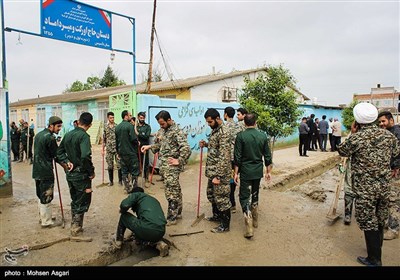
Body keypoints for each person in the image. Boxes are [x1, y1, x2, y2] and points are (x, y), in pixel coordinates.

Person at [337, 102, 400, 266]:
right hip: (384, 186)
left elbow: (342, 151)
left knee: (367, 219)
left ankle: (374, 259)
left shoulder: (357, 138)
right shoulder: (389, 136)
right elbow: (396, 153)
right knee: (380, 218)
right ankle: (376, 250)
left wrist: (352, 133)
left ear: (357, 122)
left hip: (365, 188)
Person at [141, 110, 191, 226]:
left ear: (169, 120)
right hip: (164, 166)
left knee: (171, 191)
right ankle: (178, 212)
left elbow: (186, 148)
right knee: (175, 188)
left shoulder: (177, 131)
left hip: (172, 166)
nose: (161, 126)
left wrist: (179, 160)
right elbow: (160, 145)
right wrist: (149, 146)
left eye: (162, 124)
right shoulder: (163, 130)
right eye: (160, 124)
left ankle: (171, 217)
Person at [234, 113, 272, 238]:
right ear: (255, 122)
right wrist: (268, 172)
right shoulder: (262, 136)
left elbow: (237, 157)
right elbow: (267, 156)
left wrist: (235, 173)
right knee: (255, 194)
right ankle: (255, 220)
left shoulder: (241, 136)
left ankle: (249, 226)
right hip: (257, 171)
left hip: (245, 171)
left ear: (244, 123)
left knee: (244, 197)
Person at [57, 112, 95, 237]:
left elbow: (59, 152)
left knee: (75, 198)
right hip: (81, 174)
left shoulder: (68, 135)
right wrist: (90, 171)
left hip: (70, 174)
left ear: (78, 121)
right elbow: (85, 156)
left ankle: (75, 224)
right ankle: (76, 228)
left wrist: (67, 162)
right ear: (90, 124)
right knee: (83, 199)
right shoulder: (84, 136)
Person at [199, 108, 232, 233]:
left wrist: (218, 176)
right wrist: (206, 144)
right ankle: (217, 216)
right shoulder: (215, 130)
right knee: (211, 195)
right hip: (212, 171)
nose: (208, 124)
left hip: (220, 173)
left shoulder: (224, 132)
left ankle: (225, 225)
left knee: (222, 198)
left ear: (217, 119)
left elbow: (224, 156)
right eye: (207, 122)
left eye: (210, 122)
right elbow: (216, 148)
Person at [113, 187, 169, 256]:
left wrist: (122, 210)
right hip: (161, 231)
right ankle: (160, 244)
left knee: (124, 216)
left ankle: (119, 241)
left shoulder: (137, 195)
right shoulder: (153, 200)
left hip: (147, 229)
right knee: (148, 232)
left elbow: (124, 205)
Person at [32, 116, 65, 228]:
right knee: (47, 195)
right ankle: (46, 221)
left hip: (36, 170)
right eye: (58, 126)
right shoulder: (50, 138)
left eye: (60, 126)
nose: (59, 128)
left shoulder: (39, 135)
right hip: (45, 171)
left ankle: (43, 217)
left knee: (40, 194)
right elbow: (57, 155)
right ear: (51, 125)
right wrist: (65, 166)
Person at [377, 111, 400, 240]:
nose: (381, 124)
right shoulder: (390, 133)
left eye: (383, 121)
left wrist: (396, 166)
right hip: (391, 171)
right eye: (379, 122)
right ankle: (390, 224)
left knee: (393, 201)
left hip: (396, 172)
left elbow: (397, 152)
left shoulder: (396, 132)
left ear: (391, 120)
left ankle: (393, 229)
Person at [115, 110, 140, 194]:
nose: (130, 116)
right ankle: (134, 189)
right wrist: (137, 143)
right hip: (131, 153)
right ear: (126, 116)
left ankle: (127, 188)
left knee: (124, 171)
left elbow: (116, 141)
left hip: (122, 153)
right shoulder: (129, 126)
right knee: (134, 170)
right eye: (130, 115)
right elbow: (133, 139)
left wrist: (118, 152)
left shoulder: (117, 127)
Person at [224, 106, 240, 213]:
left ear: (225, 114)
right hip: (237, 158)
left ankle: (231, 203)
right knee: (233, 179)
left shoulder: (225, 127)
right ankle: (233, 202)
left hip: (229, 158)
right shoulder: (238, 126)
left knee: (228, 181)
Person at [103, 112, 122, 186]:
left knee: (119, 165)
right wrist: (103, 148)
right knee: (110, 165)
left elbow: (120, 138)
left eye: (113, 117)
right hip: (109, 149)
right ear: (108, 118)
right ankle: (111, 181)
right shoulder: (105, 127)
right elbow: (104, 138)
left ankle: (120, 181)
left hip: (117, 149)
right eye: (110, 118)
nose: (112, 119)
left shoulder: (117, 126)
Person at [136, 112, 151, 181]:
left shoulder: (147, 127)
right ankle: (137, 177)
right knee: (138, 162)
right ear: (138, 118)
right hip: (137, 148)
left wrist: (138, 134)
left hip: (145, 147)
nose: (142, 119)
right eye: (140, 118)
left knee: (146, 162)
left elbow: (146, 136)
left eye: (143, 118)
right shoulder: (136, 127)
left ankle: (146, 177)